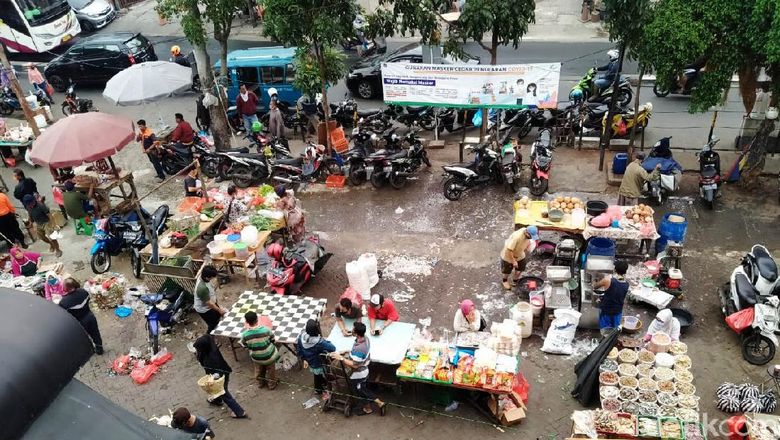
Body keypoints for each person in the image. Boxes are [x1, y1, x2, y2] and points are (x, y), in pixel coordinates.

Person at [331, 321, 386, 416]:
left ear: (356, 333)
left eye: (353, 329)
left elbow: (355, 365)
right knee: (362, 389)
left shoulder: (360, 349)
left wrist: (341, 358)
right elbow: (356, 355)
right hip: (363, 368)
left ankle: (377, 404)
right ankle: (368, 406)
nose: (351, 330)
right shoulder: (365, 338)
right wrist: (347, 351)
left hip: (358, 373)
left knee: (361, 391)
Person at [193, 334, 247, 418]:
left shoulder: (212, 358)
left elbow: (219, 372)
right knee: (217, 390)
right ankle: (216, 399)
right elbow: (207, 336)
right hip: (219, 372)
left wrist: (213, 378)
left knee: (223, 392)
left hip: (220, 375)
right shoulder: (210, 345)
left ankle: (239, 412)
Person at [59, 278, 104, 354]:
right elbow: (88, 298)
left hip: (79, 322)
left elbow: (63, 314)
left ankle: (88, 351)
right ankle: (99, 348)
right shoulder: (83, 292)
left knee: (83, 337)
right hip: (90, 316)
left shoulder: (64, 302)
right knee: (95, 333)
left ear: (66, 288)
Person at [241, 311, 280, 389]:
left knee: (258, 370)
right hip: (269, 356)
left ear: (247, 322)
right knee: (271, 371)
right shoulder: (265, 330)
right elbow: (273, 340)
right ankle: (271, 384)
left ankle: (260, 383)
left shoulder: (245, 335)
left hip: (256, 357)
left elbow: (245, 346)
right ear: (257, 320)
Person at [296, 319, 336, 396]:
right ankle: (318, 390)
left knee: (317, 374)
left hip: (309, 360)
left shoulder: (301, 337)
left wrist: (304, 359)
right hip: (318, 362)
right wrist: (325, 341)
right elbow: (332, 348)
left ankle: (323, 382)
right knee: (317, 376)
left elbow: (299, 349)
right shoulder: (318, 342)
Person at [593, 260, 629, 336]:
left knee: (605, 330)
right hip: (618, 311)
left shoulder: (608, 280)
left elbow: (595, 286)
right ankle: (612, 342)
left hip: (606, 309)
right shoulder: (626, 284)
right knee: (615, 330)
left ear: (615, 269)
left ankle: (604, 343)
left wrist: (594, 280)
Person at [500, 225, 539, 290]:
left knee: (520, 268)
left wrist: (528, 244)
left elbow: (529, 240)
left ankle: (515, 280)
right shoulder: (516, 237)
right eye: (530, 236)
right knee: (507, 270)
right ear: (526, 232)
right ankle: (504, 281)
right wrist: (513, 261)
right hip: (508, 255)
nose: (531, 238)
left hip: (520, 254)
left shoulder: (526, 231)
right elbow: (509, 250)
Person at [194, 265, 226, 333]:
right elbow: (209, 303)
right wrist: (219, 309)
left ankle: (218, 329)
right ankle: (209, 338)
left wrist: (218, 306)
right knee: (212, 324)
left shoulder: (203, 276)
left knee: (218, 316)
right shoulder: (202, 288)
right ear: (207, 277)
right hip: (204, 309)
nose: (213, 279)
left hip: (211, 303)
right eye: (212, 278)